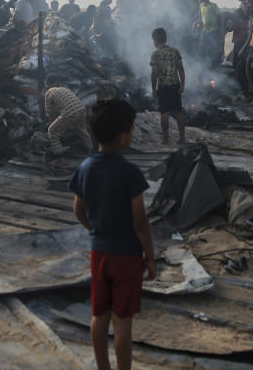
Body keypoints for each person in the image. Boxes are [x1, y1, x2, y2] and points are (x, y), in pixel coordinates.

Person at [68, 98, 156, 370]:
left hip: (99, 251)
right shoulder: (129, 173)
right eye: (131, 129)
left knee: (99, 316)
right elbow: (140, 221)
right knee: (122, 321)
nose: (132, 134)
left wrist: (94, 230)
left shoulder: (85, 168)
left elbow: (78, 210)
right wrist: (150, 257)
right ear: (122, 138)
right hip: (127, 256)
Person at [150, 27, 186, 146]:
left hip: (163, 87)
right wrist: (182, 84)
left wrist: (154, 89)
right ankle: (182, 138)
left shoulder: (155, 54)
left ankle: (166, 140)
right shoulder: (175, 51)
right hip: (175, 85)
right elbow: (181, 68)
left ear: (155, 41)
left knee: (164, 113)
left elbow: (154, 73)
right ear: (165, 39)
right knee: (178, 112)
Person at [45, 79, 92, 155]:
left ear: (47, 86)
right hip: (81, 110)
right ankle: (89, 149)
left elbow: (50, 112)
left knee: (52, 131)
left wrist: (53, 122)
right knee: (82, 130)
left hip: (70, 113)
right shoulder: (64, 89)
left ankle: (59, 154)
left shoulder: (48, 93)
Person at [196, 0, 221, 67]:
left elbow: (220, 17)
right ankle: (203, 66)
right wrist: (196, 23)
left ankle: (212, 67)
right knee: (202, 50)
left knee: (212, 50)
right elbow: (201, 17)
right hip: (204, 32)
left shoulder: (213, 6)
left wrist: (221, 31)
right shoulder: (200, 6)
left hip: (213, 32)